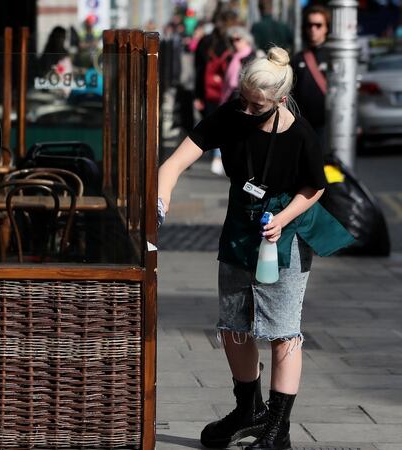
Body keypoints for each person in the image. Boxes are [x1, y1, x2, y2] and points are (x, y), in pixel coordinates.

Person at [158, 47, 354, 449]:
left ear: (280, 100)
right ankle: (248, 409)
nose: (245, 110)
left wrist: (283, 219)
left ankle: (277, 429)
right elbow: (173, 165)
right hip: (240, 227)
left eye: (256, 105)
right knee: (233, 326)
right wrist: (160, 203)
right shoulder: (231, 115)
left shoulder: (300, 135)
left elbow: (314, 187)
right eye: (243, 99)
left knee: (283, 332)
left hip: (285, 231)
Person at [194, 9, 239, 176]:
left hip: (209, 91)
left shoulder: (205, 41)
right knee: (229, 124)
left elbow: (198, 69)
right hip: (230, 90)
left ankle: (217, 156)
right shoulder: (234, 41)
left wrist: (197, 95)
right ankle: (220, 157)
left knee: (214, 123)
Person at [291, 5, 331, 152]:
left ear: (326, 28)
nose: (313, 29)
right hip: (303, 125)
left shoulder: (334, 57)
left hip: (327, 125)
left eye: (318, 25)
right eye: (309, 25)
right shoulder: (297, 59)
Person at [220, 26, 258, 105]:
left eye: (237, 39)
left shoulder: (251, 57)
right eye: (231, 40)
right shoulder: (232, 56)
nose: (234, 43)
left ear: (246, 39)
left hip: (243, 97)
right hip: (230, 94)